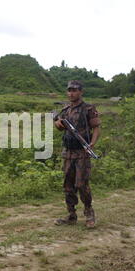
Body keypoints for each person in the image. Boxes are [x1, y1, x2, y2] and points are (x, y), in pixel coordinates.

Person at [53, 80, 101, 228]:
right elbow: (60, 127)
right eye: (69, 90)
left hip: (82, 151)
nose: (71, 93)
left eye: (74, 90)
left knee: (82, 184)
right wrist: (57, 123)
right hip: (68, 152)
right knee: (68, 185)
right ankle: (71, 215)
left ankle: (89, 213)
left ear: (81, 92)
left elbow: (97, 128)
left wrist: (91, 144)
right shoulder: (65, 110)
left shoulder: (88, 108)